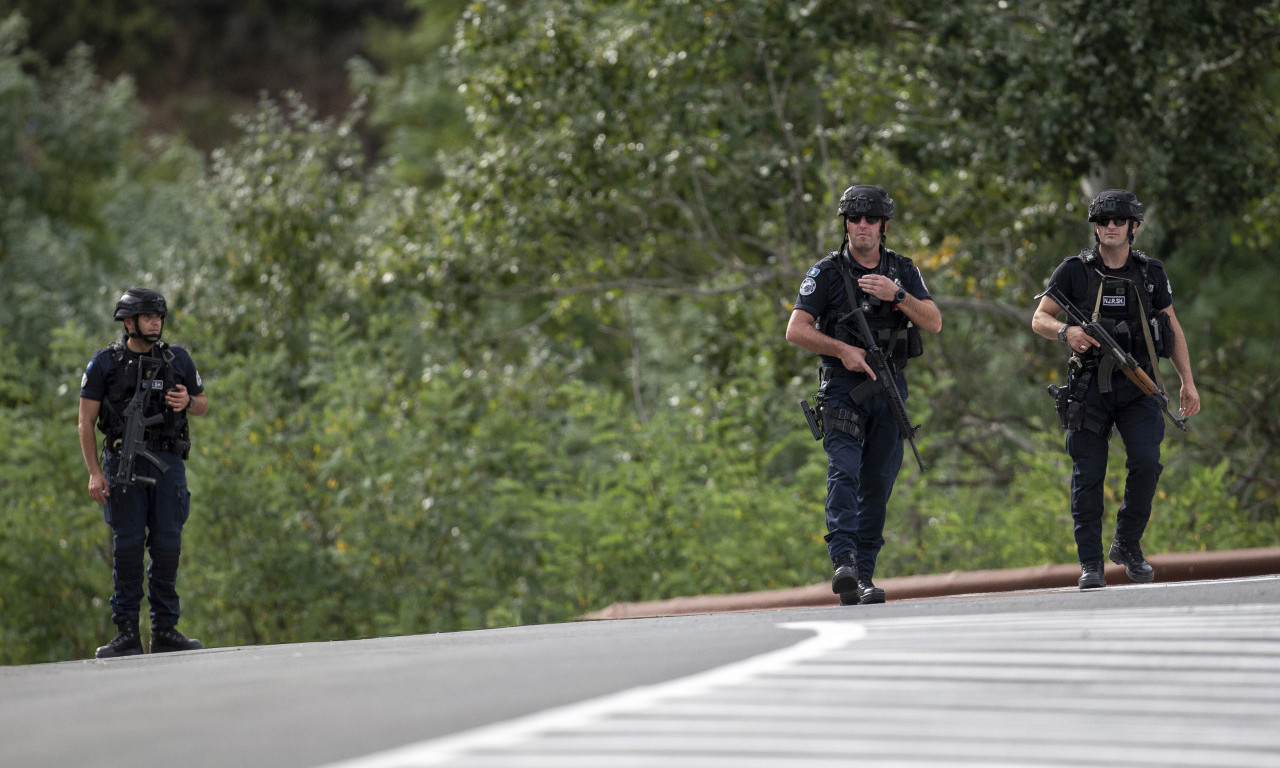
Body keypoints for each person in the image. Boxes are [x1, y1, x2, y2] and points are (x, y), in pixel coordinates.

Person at [1032, 189, 1200, 590]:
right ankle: (1091, 563)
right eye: (1103, 221)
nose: (1110, 227)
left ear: (1133, 227)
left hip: (1138, 385)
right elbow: (1039, 317)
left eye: (1118, 221)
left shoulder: (1150, 272)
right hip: (1089, 388)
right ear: (1095, 227)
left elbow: (1171, 327)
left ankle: (1127, 542)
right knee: (1087, 476)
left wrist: (1187, 381)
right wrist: (1066, 332)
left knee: (1145, 462)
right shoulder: (1074, 270)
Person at [785, 184, 942, 605]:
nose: (861, 226)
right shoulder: (827, 272)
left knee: (877, 482)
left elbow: (933, 321)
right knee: (845, 471)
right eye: (853, 219)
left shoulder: (902, 270)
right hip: (843, 389)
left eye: (870, 219)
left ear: (883, 226)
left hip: (889, 386)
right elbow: (796, 329)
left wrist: (898, 295)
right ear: (846, 225)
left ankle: (864, 575)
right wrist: (843, 351)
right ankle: (844, 562)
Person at [78, 288, 209, 657]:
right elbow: (85, 422)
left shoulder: (177, 358)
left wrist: (188, 403)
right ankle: (126, 634)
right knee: (128, 548)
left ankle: (165, 630)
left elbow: (203, 404)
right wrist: (93, 472)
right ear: (129, 322)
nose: (156, 322)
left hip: (167, 463)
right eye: (148, 317)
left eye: (158, 317)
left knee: (168, 545)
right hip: (122, 463)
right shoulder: (105, 363)